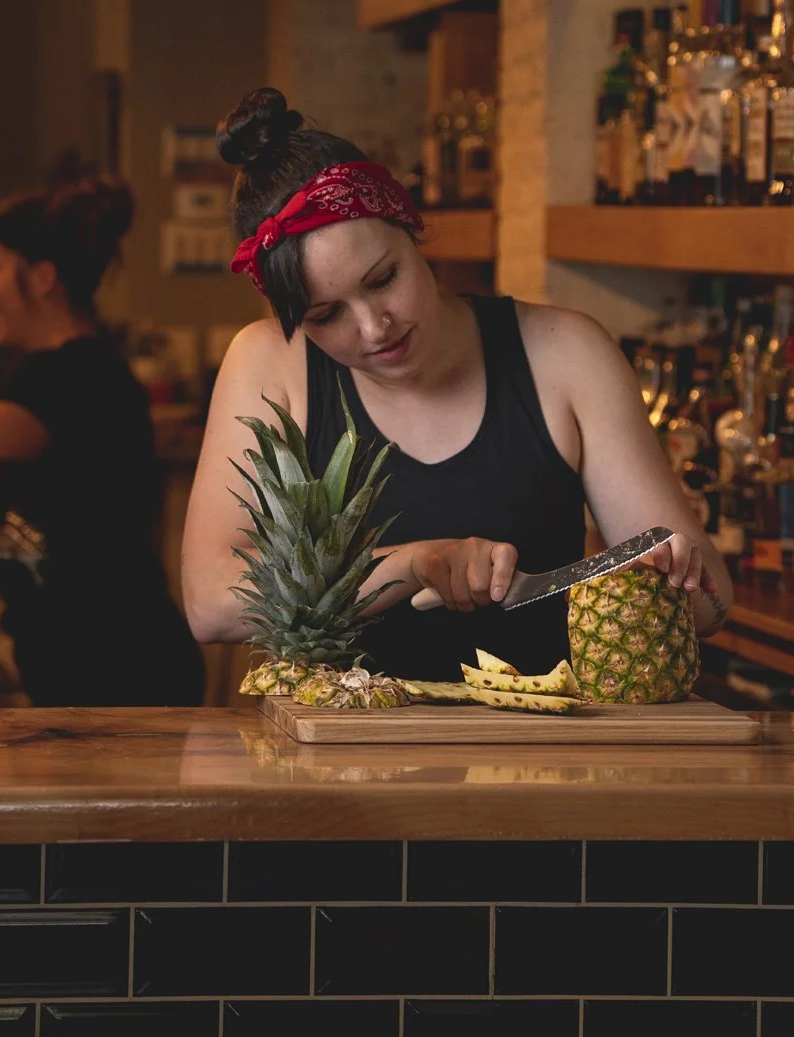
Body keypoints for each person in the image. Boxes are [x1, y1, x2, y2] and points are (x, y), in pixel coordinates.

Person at [181, 87, 732, 682]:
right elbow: (210, 604)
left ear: (411, 228)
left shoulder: (567, 354)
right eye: (326, 317)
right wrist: (417, 564)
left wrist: (667, 575)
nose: (374, 327)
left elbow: (710, 605)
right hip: (333, 752)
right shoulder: (267, 363)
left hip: (542, 758)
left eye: (384, 278)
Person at [0, 176, 205, 706]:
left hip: (116, 668)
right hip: (114, 660)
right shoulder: (83, 370)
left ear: (45, 277)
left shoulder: (65, 378)